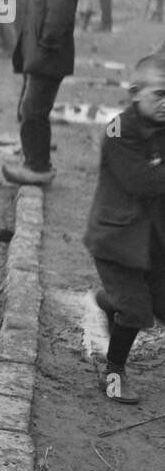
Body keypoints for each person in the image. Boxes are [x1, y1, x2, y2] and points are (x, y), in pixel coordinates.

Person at [83, 53, 165, 405]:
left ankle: (108, 301)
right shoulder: (117, 129)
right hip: (115, 240)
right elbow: (141, 181)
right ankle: (114, 372)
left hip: (152, 239)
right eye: (158, 94)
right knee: (135, 310)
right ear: (135, 93)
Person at [4, 0, 80, 186]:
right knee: (32, 110)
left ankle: (36, 167)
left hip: (47, 59)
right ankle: (35, 162)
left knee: (33, 111)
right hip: (40, 57)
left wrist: (44, 47)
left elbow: (58, 19)